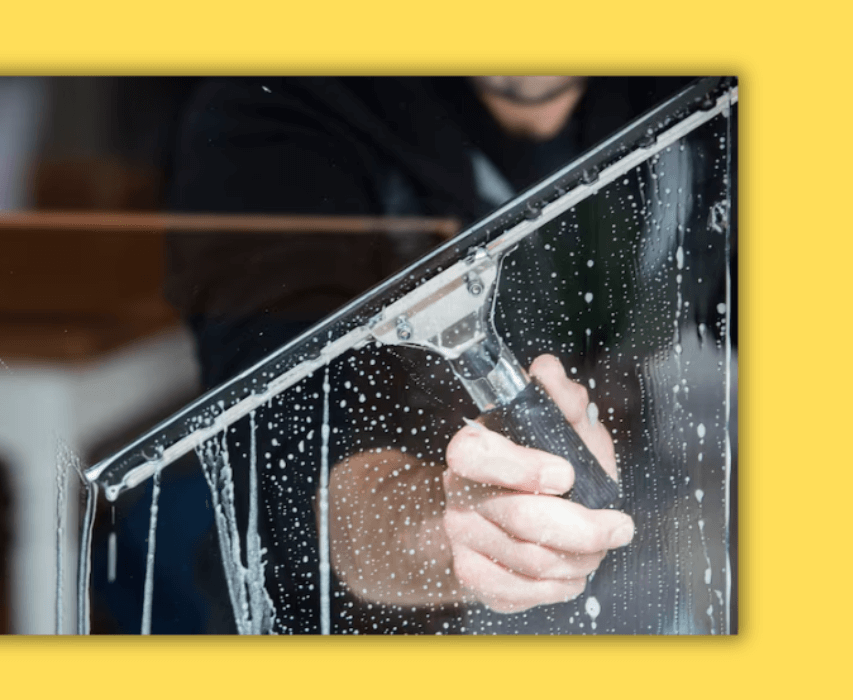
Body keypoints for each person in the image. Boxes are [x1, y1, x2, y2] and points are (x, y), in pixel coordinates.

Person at [164, 76, 702, 632]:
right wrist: (450, 529)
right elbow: (289, 446)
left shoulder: (692, 91)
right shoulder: (280, 102)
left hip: (635, 580)